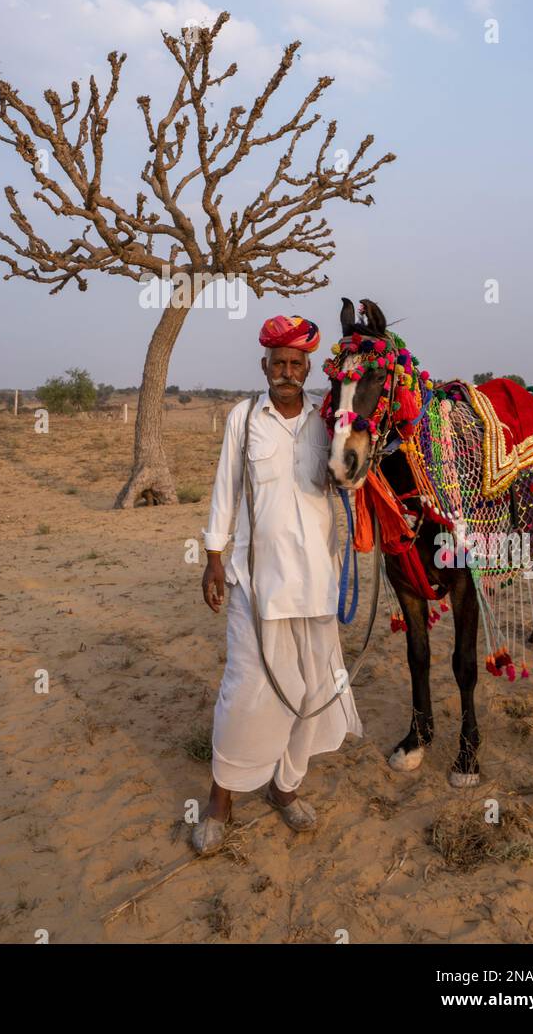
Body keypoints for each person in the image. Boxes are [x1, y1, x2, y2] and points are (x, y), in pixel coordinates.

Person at [191, 314, 363, 855]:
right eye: (278, 363)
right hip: (256, 582)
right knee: (248, 690)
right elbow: (226, 488)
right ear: (263, 365)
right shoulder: (243, 419)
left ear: (308, 367)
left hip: (317, 582)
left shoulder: (327, 423)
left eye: (296, 363)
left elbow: (351, 481)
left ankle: (285, 788)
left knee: (313, 688)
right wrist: (213, 557)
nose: (287, 372)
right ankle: (221, 799)